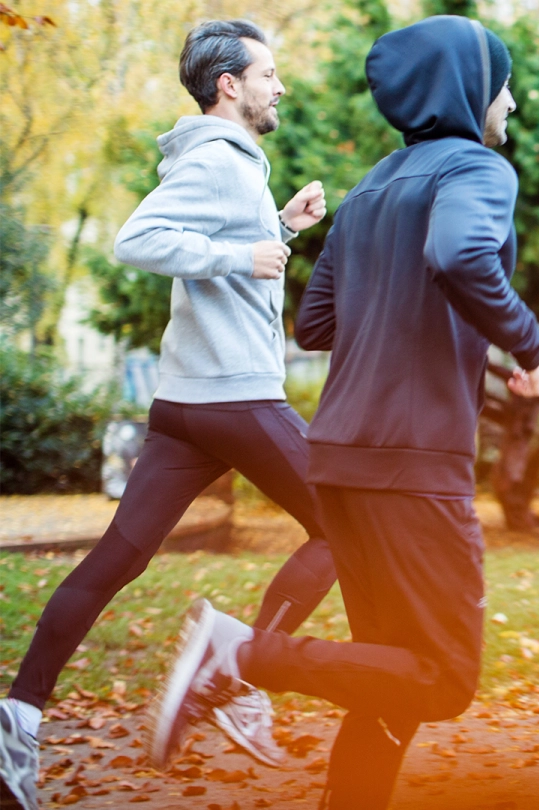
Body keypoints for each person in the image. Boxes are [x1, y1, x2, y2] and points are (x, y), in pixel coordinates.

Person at [144, 16, 539, 810]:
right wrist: (529, 346)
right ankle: (238, 656)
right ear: (468, 88)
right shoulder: (476, 168)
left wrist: (458, 339)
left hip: (339, 459)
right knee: (442, 680)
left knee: (389, 686)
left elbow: (318, 324)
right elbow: (462, 256)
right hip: (412, 465)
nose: (511, 100)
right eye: (501, 81)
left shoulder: (370, 187)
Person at [0, 20, 333, 809]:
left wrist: (279, 230)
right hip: (238, 399)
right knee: (349, 528)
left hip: (188, 402)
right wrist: (238, 253)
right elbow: (137, 239)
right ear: (230, 85)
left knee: (119, 555)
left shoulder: (227, 163)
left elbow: (223, 254)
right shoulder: (220, 160)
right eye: (269, 73)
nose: (279, 86)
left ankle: (16, 721)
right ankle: (240, 675)